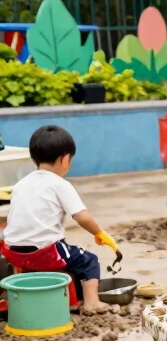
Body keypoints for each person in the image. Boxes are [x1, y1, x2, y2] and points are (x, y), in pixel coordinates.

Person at [1, 125, 119, 313]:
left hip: (12, 251)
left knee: (65, 252)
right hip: (44, 252)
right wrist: (99, 233)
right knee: (88, 260)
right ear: (65, 159)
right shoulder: (60, 184)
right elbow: (81, 217)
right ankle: (92, 302)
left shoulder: (21, 184)